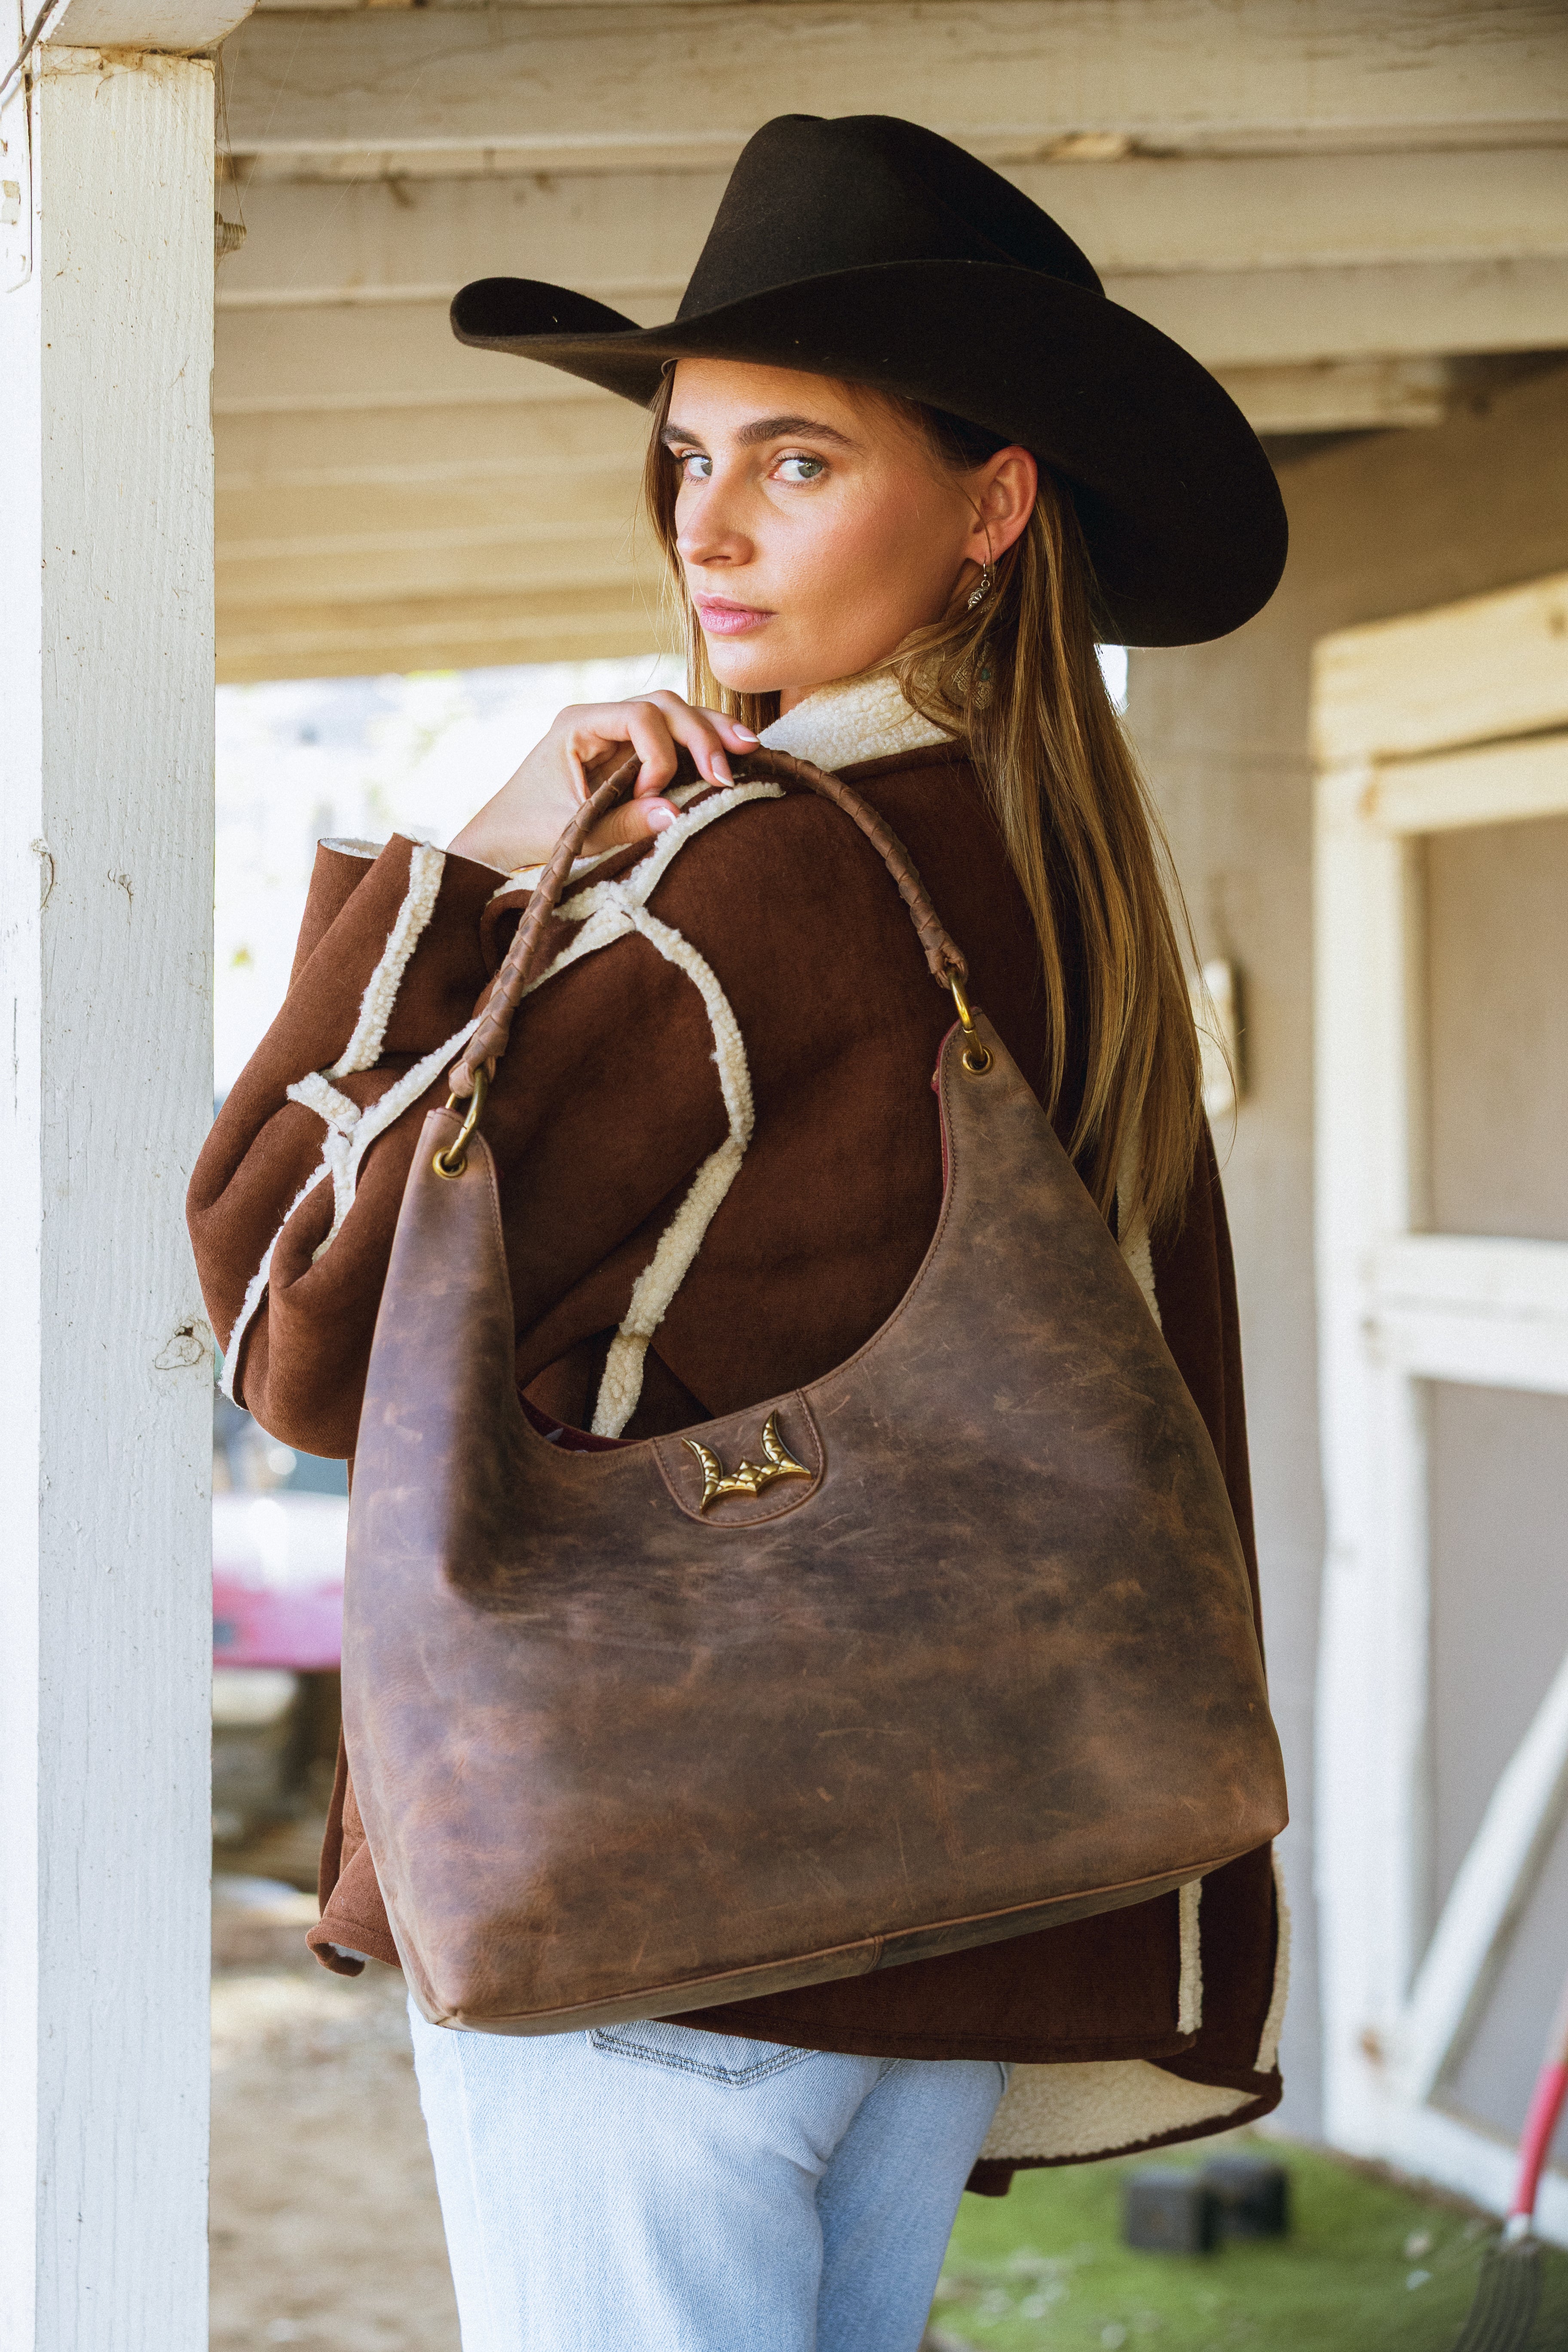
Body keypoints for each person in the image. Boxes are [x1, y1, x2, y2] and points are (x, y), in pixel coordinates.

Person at [189, 113, 1289, 2352]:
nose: (707, 523)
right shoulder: (1058, 898)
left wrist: (483, 855)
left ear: (991, 508)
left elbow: (291, 1312)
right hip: (935, 1920)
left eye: (798, 461)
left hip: (658, 1911)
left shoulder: (734, 890)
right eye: (688, 456)